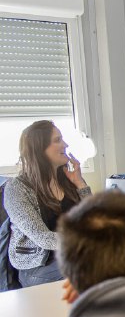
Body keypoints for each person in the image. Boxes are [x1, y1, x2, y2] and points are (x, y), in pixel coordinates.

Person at [3, 120, 90, 287]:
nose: (65, 144)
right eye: (57, 140)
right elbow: (43, 238)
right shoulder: (17, 188)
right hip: (37, 267)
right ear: (39, 149)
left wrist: (80, 185)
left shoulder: (68, 180)